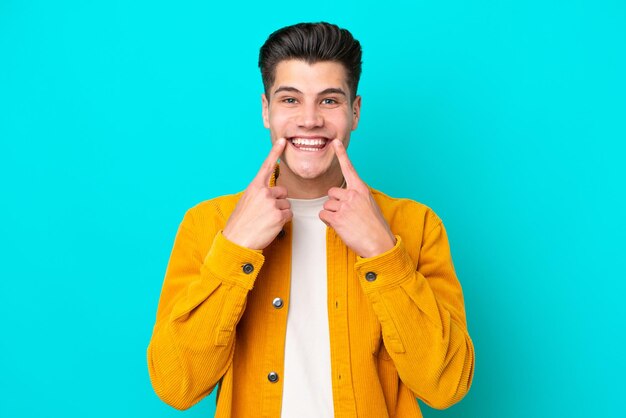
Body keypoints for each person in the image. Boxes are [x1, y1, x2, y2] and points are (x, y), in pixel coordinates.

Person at [147, 22, 474, 418]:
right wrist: (234, 250)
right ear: (266, 110)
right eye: (290, 100)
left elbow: (447, 385)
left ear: (355, 111)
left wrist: (383, 254)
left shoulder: (416, 225)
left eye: (329, 101)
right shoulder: (208, 224)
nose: (309, 120)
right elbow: (176, 385)